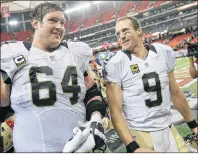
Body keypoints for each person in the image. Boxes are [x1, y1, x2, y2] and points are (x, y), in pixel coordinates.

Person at [0, 2, 107, 152]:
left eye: (62, 22)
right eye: (53, 20)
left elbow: (92, 93)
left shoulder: (76, 53)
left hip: (78, 145)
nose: (59, 26)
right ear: (36, 23)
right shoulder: (13, 54)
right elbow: (2, 101)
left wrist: (96, 121)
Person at [102, 16, 198, 152]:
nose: (121, 36)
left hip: (168, 128)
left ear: (139, 30)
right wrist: (132, 146)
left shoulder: (163, 52)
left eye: (125, 31)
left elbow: (175, 92)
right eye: (118, 34)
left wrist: (193, 124)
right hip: (140, 132)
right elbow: (115, 111)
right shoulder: (115, 64)